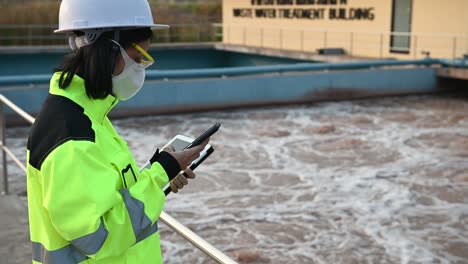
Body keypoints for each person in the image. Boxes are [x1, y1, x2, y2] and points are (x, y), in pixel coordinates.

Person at [25, 0, 208, 263]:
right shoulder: (72, 136)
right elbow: (100, 237)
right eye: (136, 58)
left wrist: (162, 169)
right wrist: (159, 175)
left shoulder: (87, 117)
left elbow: (108, 194)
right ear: (108, 51)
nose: (140, 69)